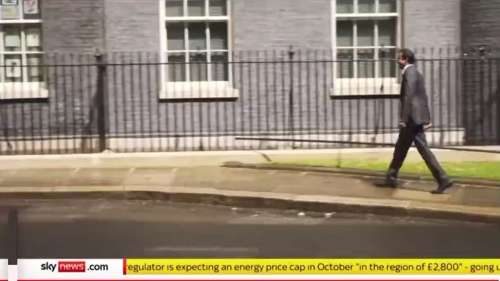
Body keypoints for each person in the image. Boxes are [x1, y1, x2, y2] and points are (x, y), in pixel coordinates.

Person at [377, 48, 453, 194]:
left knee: (423, 149)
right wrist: (427, 118)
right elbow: (423, 97)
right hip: (416, 118)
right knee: (401, 148)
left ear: (405, 59)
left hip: (412, 119)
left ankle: (443, 179)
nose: (397, 61)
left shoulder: (410, 72)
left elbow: (409, 96)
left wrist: (403, 119)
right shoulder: (416, 72)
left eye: (399, 58)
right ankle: (391, 177)